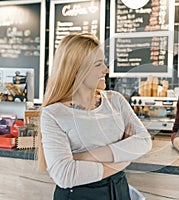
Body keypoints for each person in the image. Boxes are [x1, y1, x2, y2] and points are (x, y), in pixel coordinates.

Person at [38, 33, 152, 199]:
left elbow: (144, 142)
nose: (106, 69)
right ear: (76, 70)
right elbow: (65, 175)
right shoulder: (53, 114)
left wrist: (83, 157)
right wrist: (122, 159)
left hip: (119, 191)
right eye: (98, 64)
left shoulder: (115, 100)